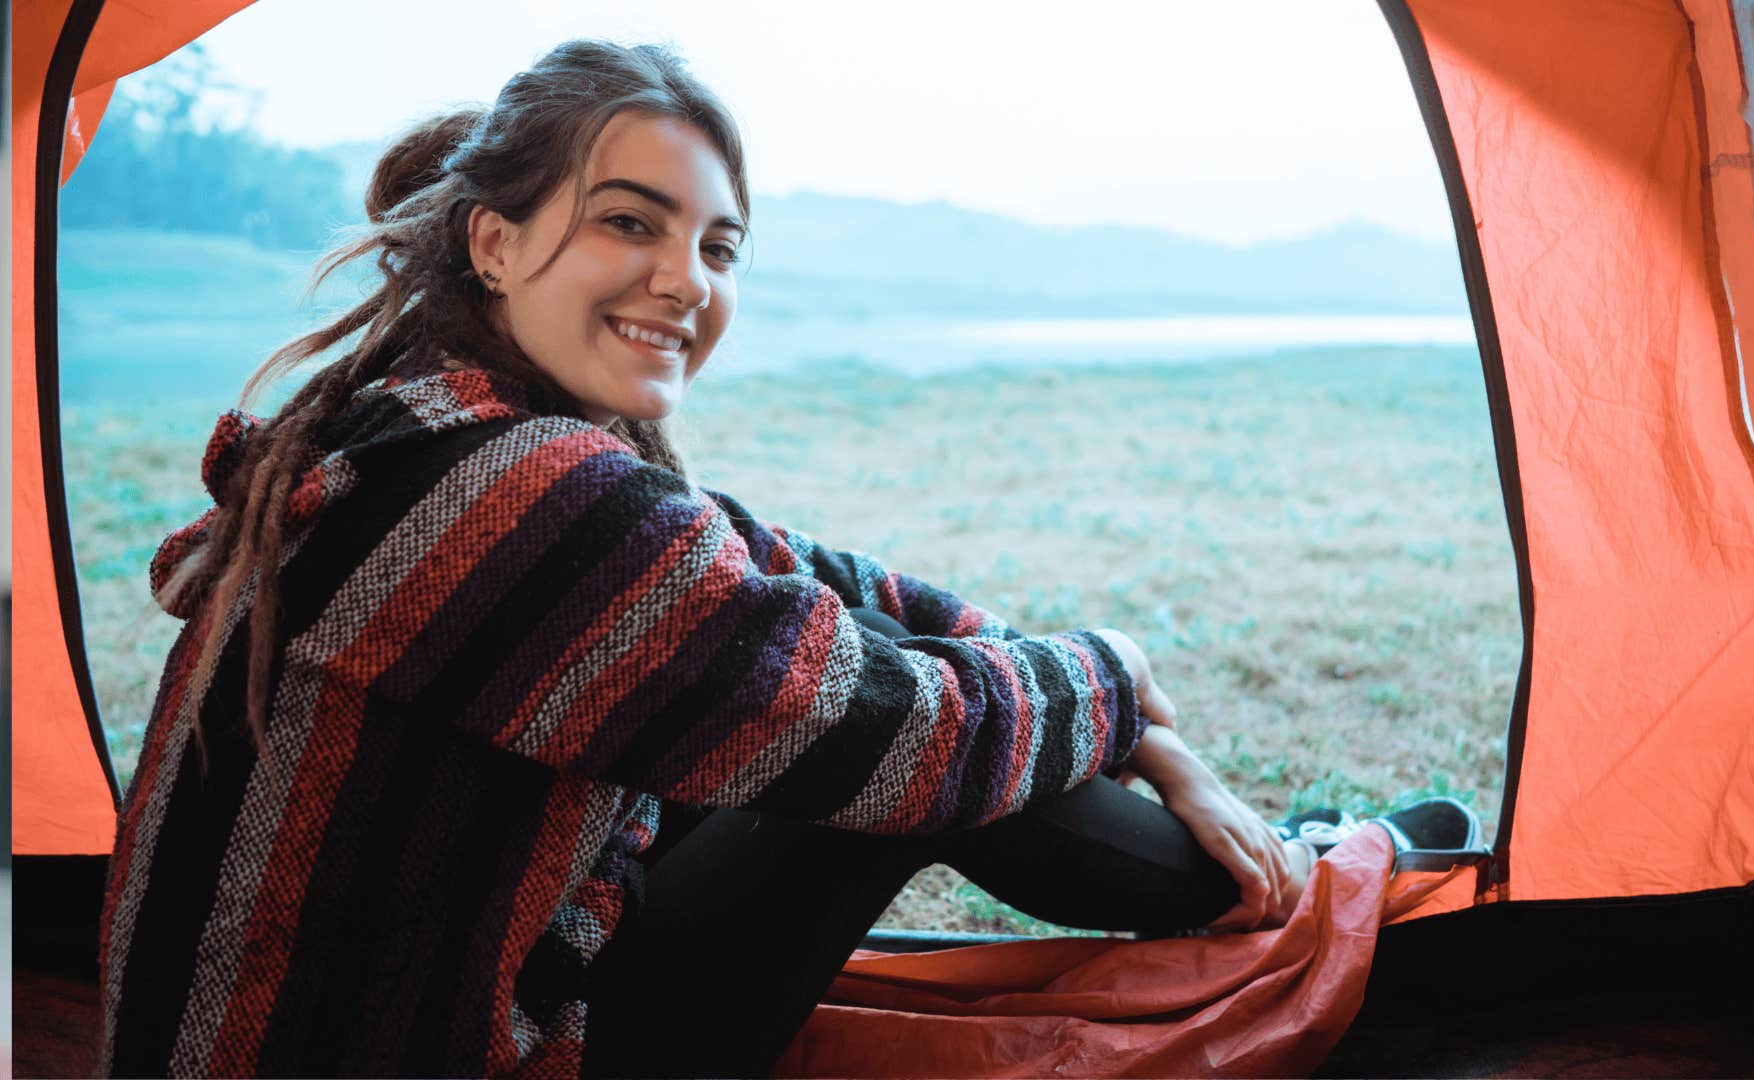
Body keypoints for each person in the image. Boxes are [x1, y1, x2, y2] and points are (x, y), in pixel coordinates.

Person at [97, 39, 1328, 1079]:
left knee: (856, 682)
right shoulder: (515, 491)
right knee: (894, 765)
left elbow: (826, 584)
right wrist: (1119, 672)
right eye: (630, 223)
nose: (683, 282)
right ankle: (1290, 887)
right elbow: (909, 734)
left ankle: (1266, 859)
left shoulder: (433, 423)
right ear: (496, 243)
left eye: (720, 248)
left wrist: (1150, 739)